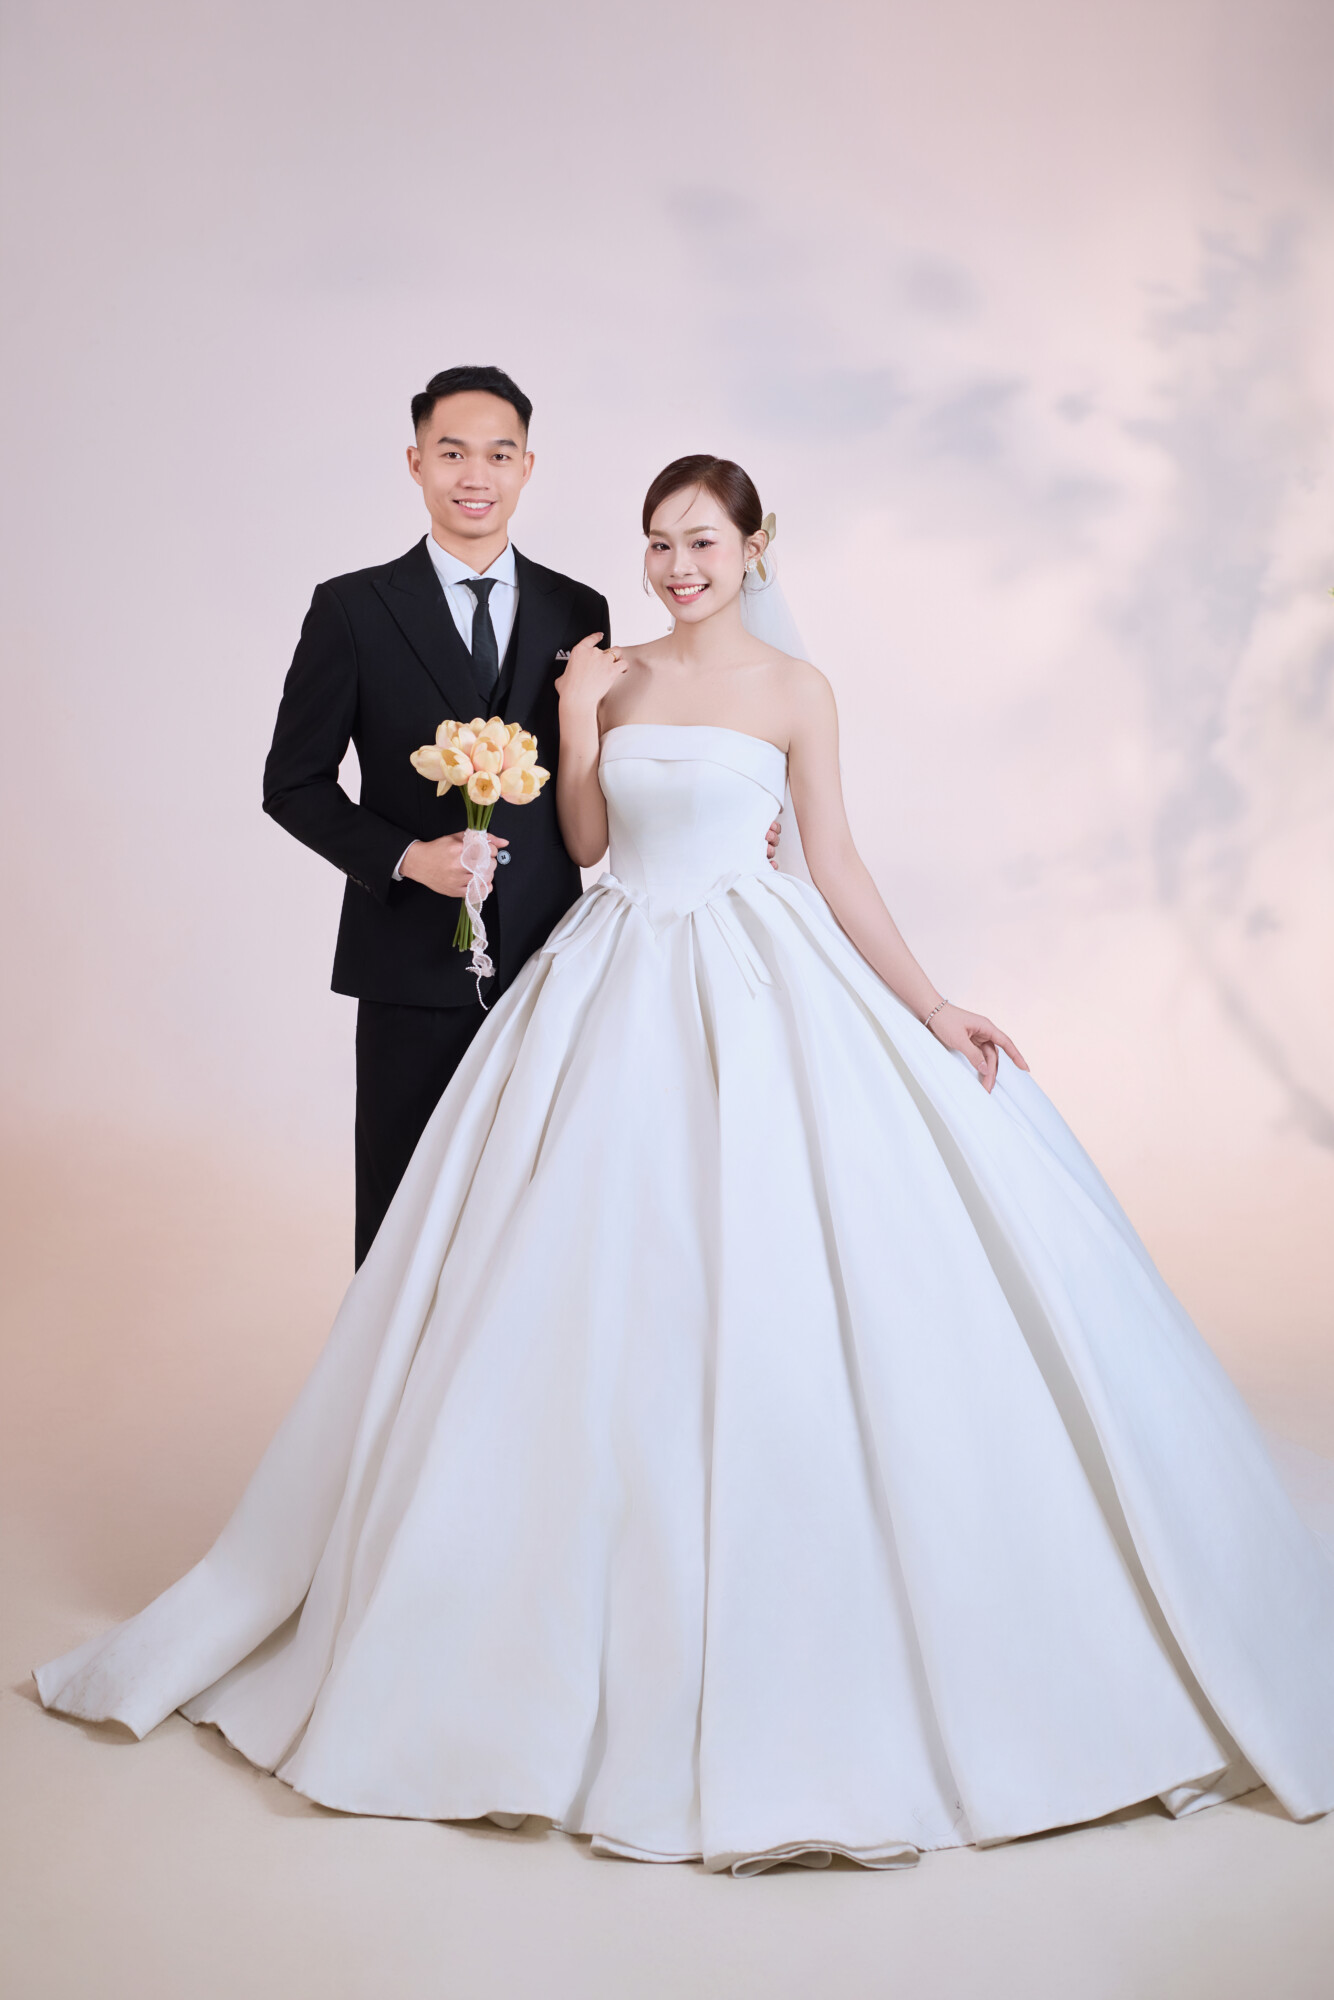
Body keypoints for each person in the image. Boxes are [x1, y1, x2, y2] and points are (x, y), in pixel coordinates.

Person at [37, 456, 1334, 1876]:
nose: (676, 567)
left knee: (779, 1269)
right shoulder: (609, 671)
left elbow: (834, 862)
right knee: (583, 1284)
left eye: (702, 542)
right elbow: (587, 845)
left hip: (757, 975)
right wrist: (578, 717)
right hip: (613, 973)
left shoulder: (797, 691)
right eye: (658, 543)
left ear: (753, 545)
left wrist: (932, 1004)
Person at [261, 366, 766, 1265]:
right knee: (403, 1224)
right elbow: (293, 783)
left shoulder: (580, 609)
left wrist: (729, 818)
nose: (476, 475)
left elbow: (605, 769)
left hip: (554, 965)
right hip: (408, 969)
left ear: (528, 467)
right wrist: (408, 858)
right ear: (416, 462)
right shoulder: (351, 609)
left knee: (537, 1235)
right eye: (452, 453)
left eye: (499, 455)